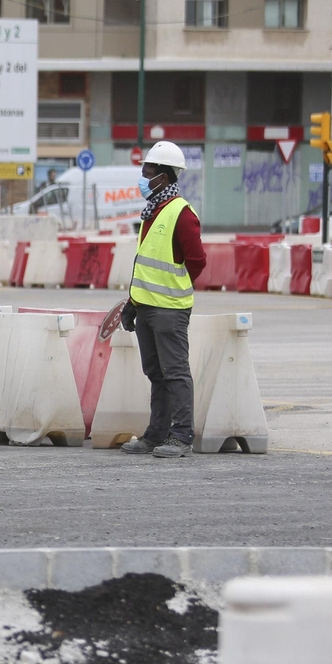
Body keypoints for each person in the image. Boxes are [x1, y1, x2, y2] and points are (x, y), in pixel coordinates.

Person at [119, 140, 206, 459]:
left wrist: (173, 288)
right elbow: (147, 265)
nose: (143, 178)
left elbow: (197, 261)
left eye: (148, 172)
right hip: (146, 308)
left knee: (176, 373)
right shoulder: (152, 212)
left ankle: (181, 436)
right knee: (156, 374)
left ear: (163, 177)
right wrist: (132, 304)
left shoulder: (181, 214)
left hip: (169, 310)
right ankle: (156, 434)